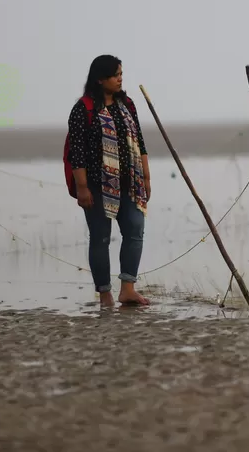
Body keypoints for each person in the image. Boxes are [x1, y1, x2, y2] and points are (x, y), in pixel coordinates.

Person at [67, 55, 151, 307]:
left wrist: (145, 177)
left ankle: (127, 288)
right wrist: (82, 188)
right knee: (100, 238)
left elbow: (140, 141)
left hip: (129, 183)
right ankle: (105, 295)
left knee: (135, 229)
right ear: (100, 79)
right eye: (115, 74)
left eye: (121, 73)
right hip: (96, 186)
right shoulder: (83, 109)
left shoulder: (127, 104)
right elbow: (77, 152)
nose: (120, 78)